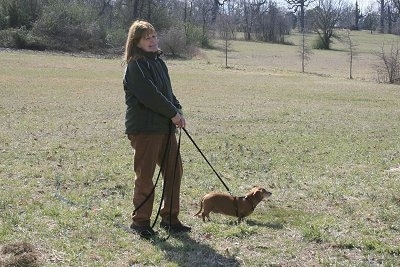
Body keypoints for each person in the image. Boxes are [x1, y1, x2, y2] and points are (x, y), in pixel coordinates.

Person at [122, 20, 191, 238]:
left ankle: (170, 218)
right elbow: (151, 96)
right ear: (137, 42)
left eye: (154, 36)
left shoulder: (159, 63)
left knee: (174, 171)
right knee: (145, 176)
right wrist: (173, 113)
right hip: (144, 130)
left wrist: (178, 110)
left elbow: (167, 93)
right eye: (146, 38)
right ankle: (140, 222)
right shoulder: (135, 66)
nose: (152, 41)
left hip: (165, 128)